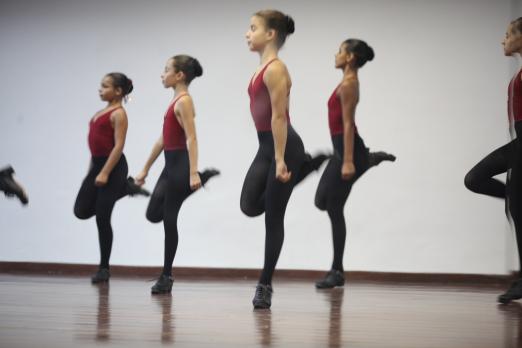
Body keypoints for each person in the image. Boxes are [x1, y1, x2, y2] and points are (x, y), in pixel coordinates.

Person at [242, 9, 328, 309]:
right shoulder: (260, 68)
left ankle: (264, 285)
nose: (247, 33)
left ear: (271, 34)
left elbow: (279, 116)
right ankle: (307, 168)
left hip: (284, 146)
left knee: (272, 216)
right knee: (249, 205)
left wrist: (280, 160)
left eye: (253, 28)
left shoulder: (276, 69)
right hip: (266, 146)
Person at [314, 39, 395, 289]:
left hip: (348, 153)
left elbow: (348, 124)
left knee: (334, 208)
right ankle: (369, 159)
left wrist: (349, 161)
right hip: (343, 151)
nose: (335, 54)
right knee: (321, 201)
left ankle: (337, 271)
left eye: (340, 50)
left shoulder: (349, 85)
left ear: (350, 57)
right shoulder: (345, 82)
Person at [135, 55, 219, 294]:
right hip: (168, 166)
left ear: (179, 75)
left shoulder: (184, 102)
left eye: (166, 70)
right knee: (153, 214)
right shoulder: (174, 102)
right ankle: (202, 180)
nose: (162, 74)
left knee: (169, 220)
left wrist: (192, 172)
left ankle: (166, 276)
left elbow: (192, 137)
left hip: (181, 165)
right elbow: (163, 138)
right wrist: (145, 168)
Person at [464, 17, 522, 304]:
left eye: (509, 34)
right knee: (513, 208)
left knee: (477, 180)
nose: (503, 39)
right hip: (517, 146)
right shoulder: (519, 74)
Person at [74, 72, 149, 284]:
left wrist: (106, 172)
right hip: (97, 165)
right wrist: (92, 171)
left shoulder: (119, 114)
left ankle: (104, 269)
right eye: (101, 85)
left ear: (118, 91)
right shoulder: (100, 112)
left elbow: (118, 146)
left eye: (105, 86)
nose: (100, 89)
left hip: (114, 167)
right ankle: (128, 188)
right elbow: (94, 147)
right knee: (80, 211)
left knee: (102, 217)